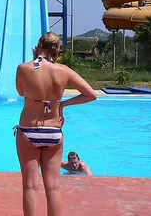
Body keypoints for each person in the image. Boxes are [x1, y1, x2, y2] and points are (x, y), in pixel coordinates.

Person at [15, 32, 97, 216]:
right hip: (54, 131)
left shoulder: (24, 68)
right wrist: (64, 104)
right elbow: (91, 95)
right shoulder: (64, 70)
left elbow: (21, 92)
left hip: (29, 130)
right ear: (57, 49)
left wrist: (34, 61)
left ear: (39, 46)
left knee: (30, 187)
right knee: (53, 188)